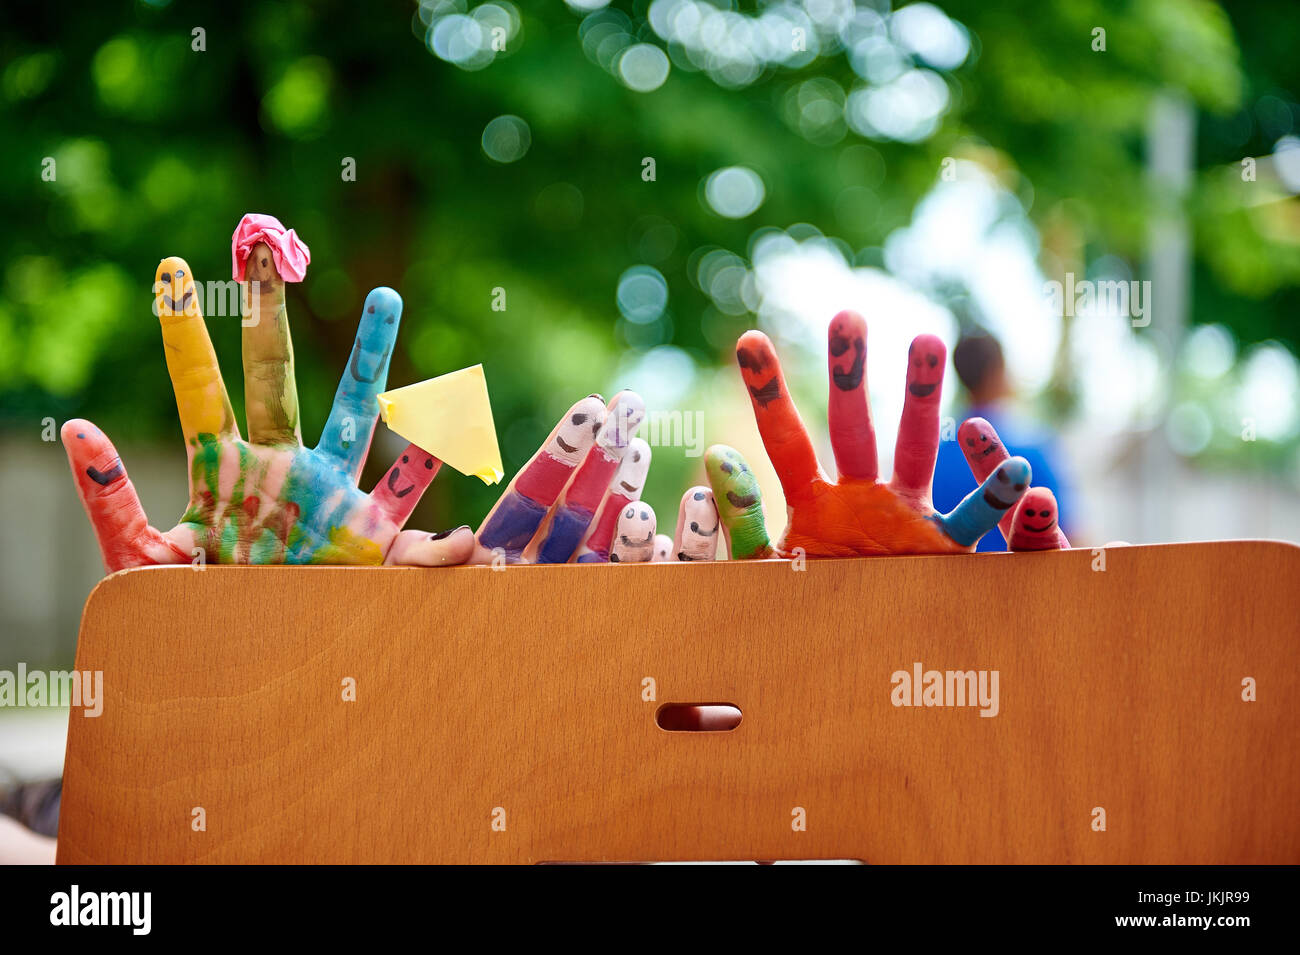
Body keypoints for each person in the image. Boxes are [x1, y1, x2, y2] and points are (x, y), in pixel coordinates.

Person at [931, 330, 1076, 551]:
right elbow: (1071, 534)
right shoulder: (1035, 448)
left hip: (946, 585)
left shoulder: (934, 459)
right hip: (1026, 585)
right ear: (997, 370)